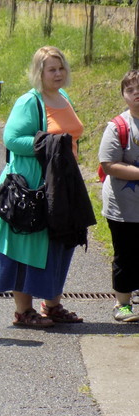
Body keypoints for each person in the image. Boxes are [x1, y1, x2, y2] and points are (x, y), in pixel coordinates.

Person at [0, 46, 86, 327]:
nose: (58, 73)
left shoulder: (64, 97)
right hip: (32, 187)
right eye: (51, 69)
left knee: (58, 243)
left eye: (61, 68)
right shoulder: (29, 102)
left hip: (61, 183)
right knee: (27, 246)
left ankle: (52, 305)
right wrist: (51, 144)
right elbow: (11, 139)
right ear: (39, 73)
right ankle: (23, 311)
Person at [98, 69, 139, 322]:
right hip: (123, 208)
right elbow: (108, 164)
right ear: (123, 95)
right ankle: (122, 304)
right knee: (125, 256)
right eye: (130, 89)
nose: (136, 93)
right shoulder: (118, 126)